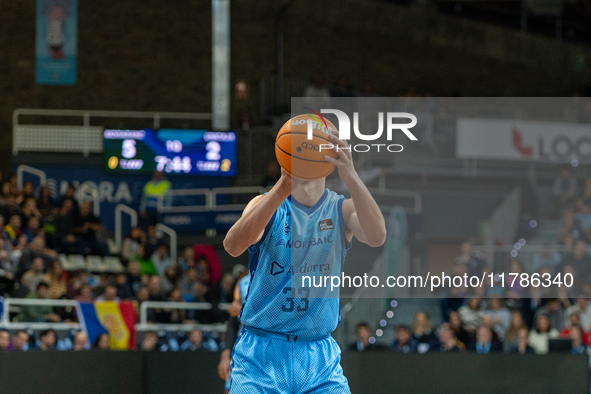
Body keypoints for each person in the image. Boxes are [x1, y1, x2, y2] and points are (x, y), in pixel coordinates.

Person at [223, 123, 386, 394]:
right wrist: (282, 186)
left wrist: (352, 177)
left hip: (318, 354)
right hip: (261, 352)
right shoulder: (265, 204)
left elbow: (377, 236)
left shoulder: (341, 209)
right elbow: (232, 245)